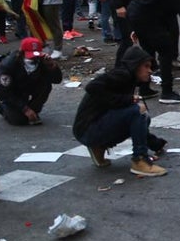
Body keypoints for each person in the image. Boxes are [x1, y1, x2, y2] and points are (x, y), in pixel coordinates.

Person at [72, 45, 168, 177]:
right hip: (88, 129)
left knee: (140, 114)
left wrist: (155, 144)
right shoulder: (122, 75)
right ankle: (140, 160)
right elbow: (92, 87)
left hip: (88, 128)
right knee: (137, 111)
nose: (149, 71)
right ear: (135, 65)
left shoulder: (128, 78)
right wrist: (128, 100)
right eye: (146, 66)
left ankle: (98, 148)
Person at [0, 37, 63, 125]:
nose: (34, 59)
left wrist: (52, 67)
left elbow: (57, 80)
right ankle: (0, 105)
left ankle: (33, 110)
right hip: (12, 91)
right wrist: (24, 109)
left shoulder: (41, 60)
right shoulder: (8, 65)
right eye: (31, 56)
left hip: (28, 87)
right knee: (18, 120)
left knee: (46, 85)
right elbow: (2, 91)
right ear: (22, 53)